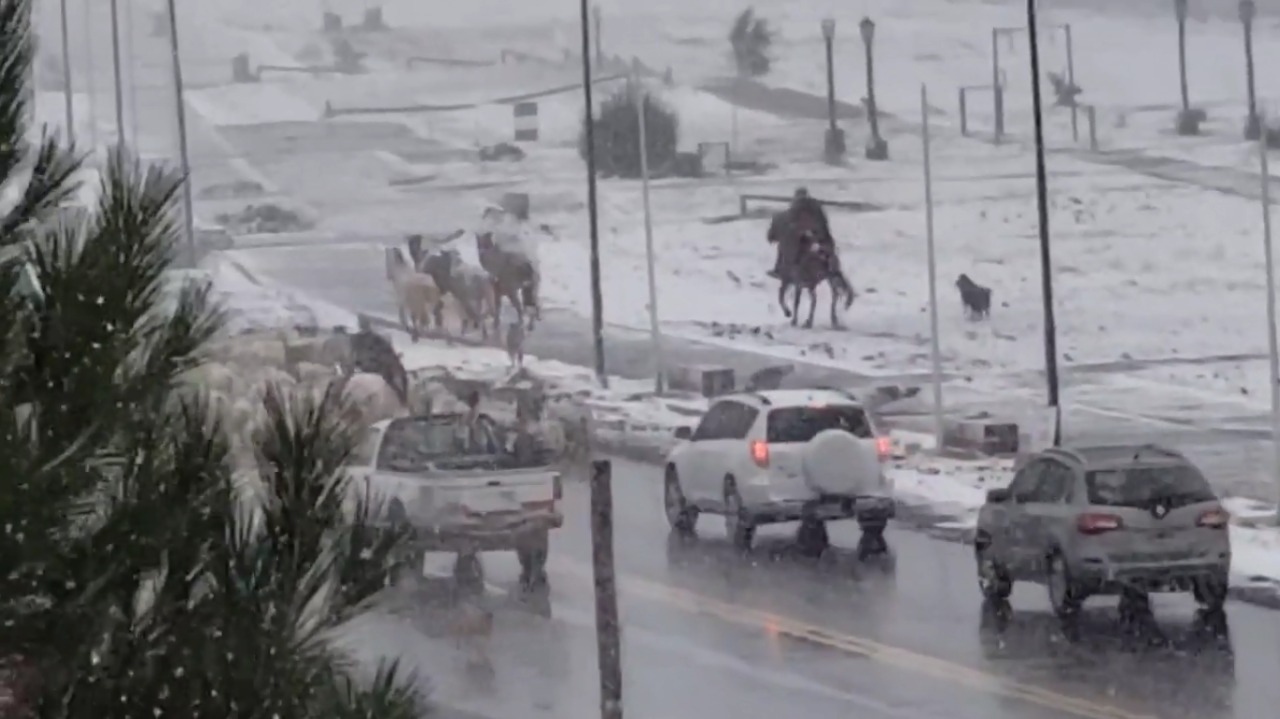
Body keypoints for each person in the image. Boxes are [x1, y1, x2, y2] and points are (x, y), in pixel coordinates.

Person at [768, 187, 835, 279]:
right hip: (818, 238)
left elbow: (789, 227)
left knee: (785, 246)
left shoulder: (792, 211)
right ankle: (832, 271)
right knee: (828, 254)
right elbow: (823, 224)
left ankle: (779, 269)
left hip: (802, 240)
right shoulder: (815, 207)